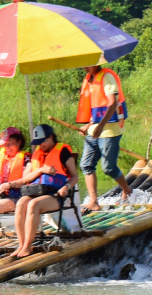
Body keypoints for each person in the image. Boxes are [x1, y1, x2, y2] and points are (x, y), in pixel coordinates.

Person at [11, 123, 85, 258]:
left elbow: (75, 176)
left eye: (42, 142)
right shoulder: (37, 154)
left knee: (34, 204)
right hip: (37, 191)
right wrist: (41, 170)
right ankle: (21, 244)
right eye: (38, 143)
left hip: (57, 195)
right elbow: (26, 178)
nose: (40, 145)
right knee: (21, 202)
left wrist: (66, 187)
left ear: (50, 137)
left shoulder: (63, 152)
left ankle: (28, 246)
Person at [76, 62, 131, 212]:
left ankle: (127, 190)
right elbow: (96, 110)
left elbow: (112, 104)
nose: (84, 67)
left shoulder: (107, 77)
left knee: (108, 168)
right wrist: (89, 125)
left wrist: (100, 126)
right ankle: (93, 201)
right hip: (94, 130)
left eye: (88, 64)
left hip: (109, 130)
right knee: (86, 165)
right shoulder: (90, 80)